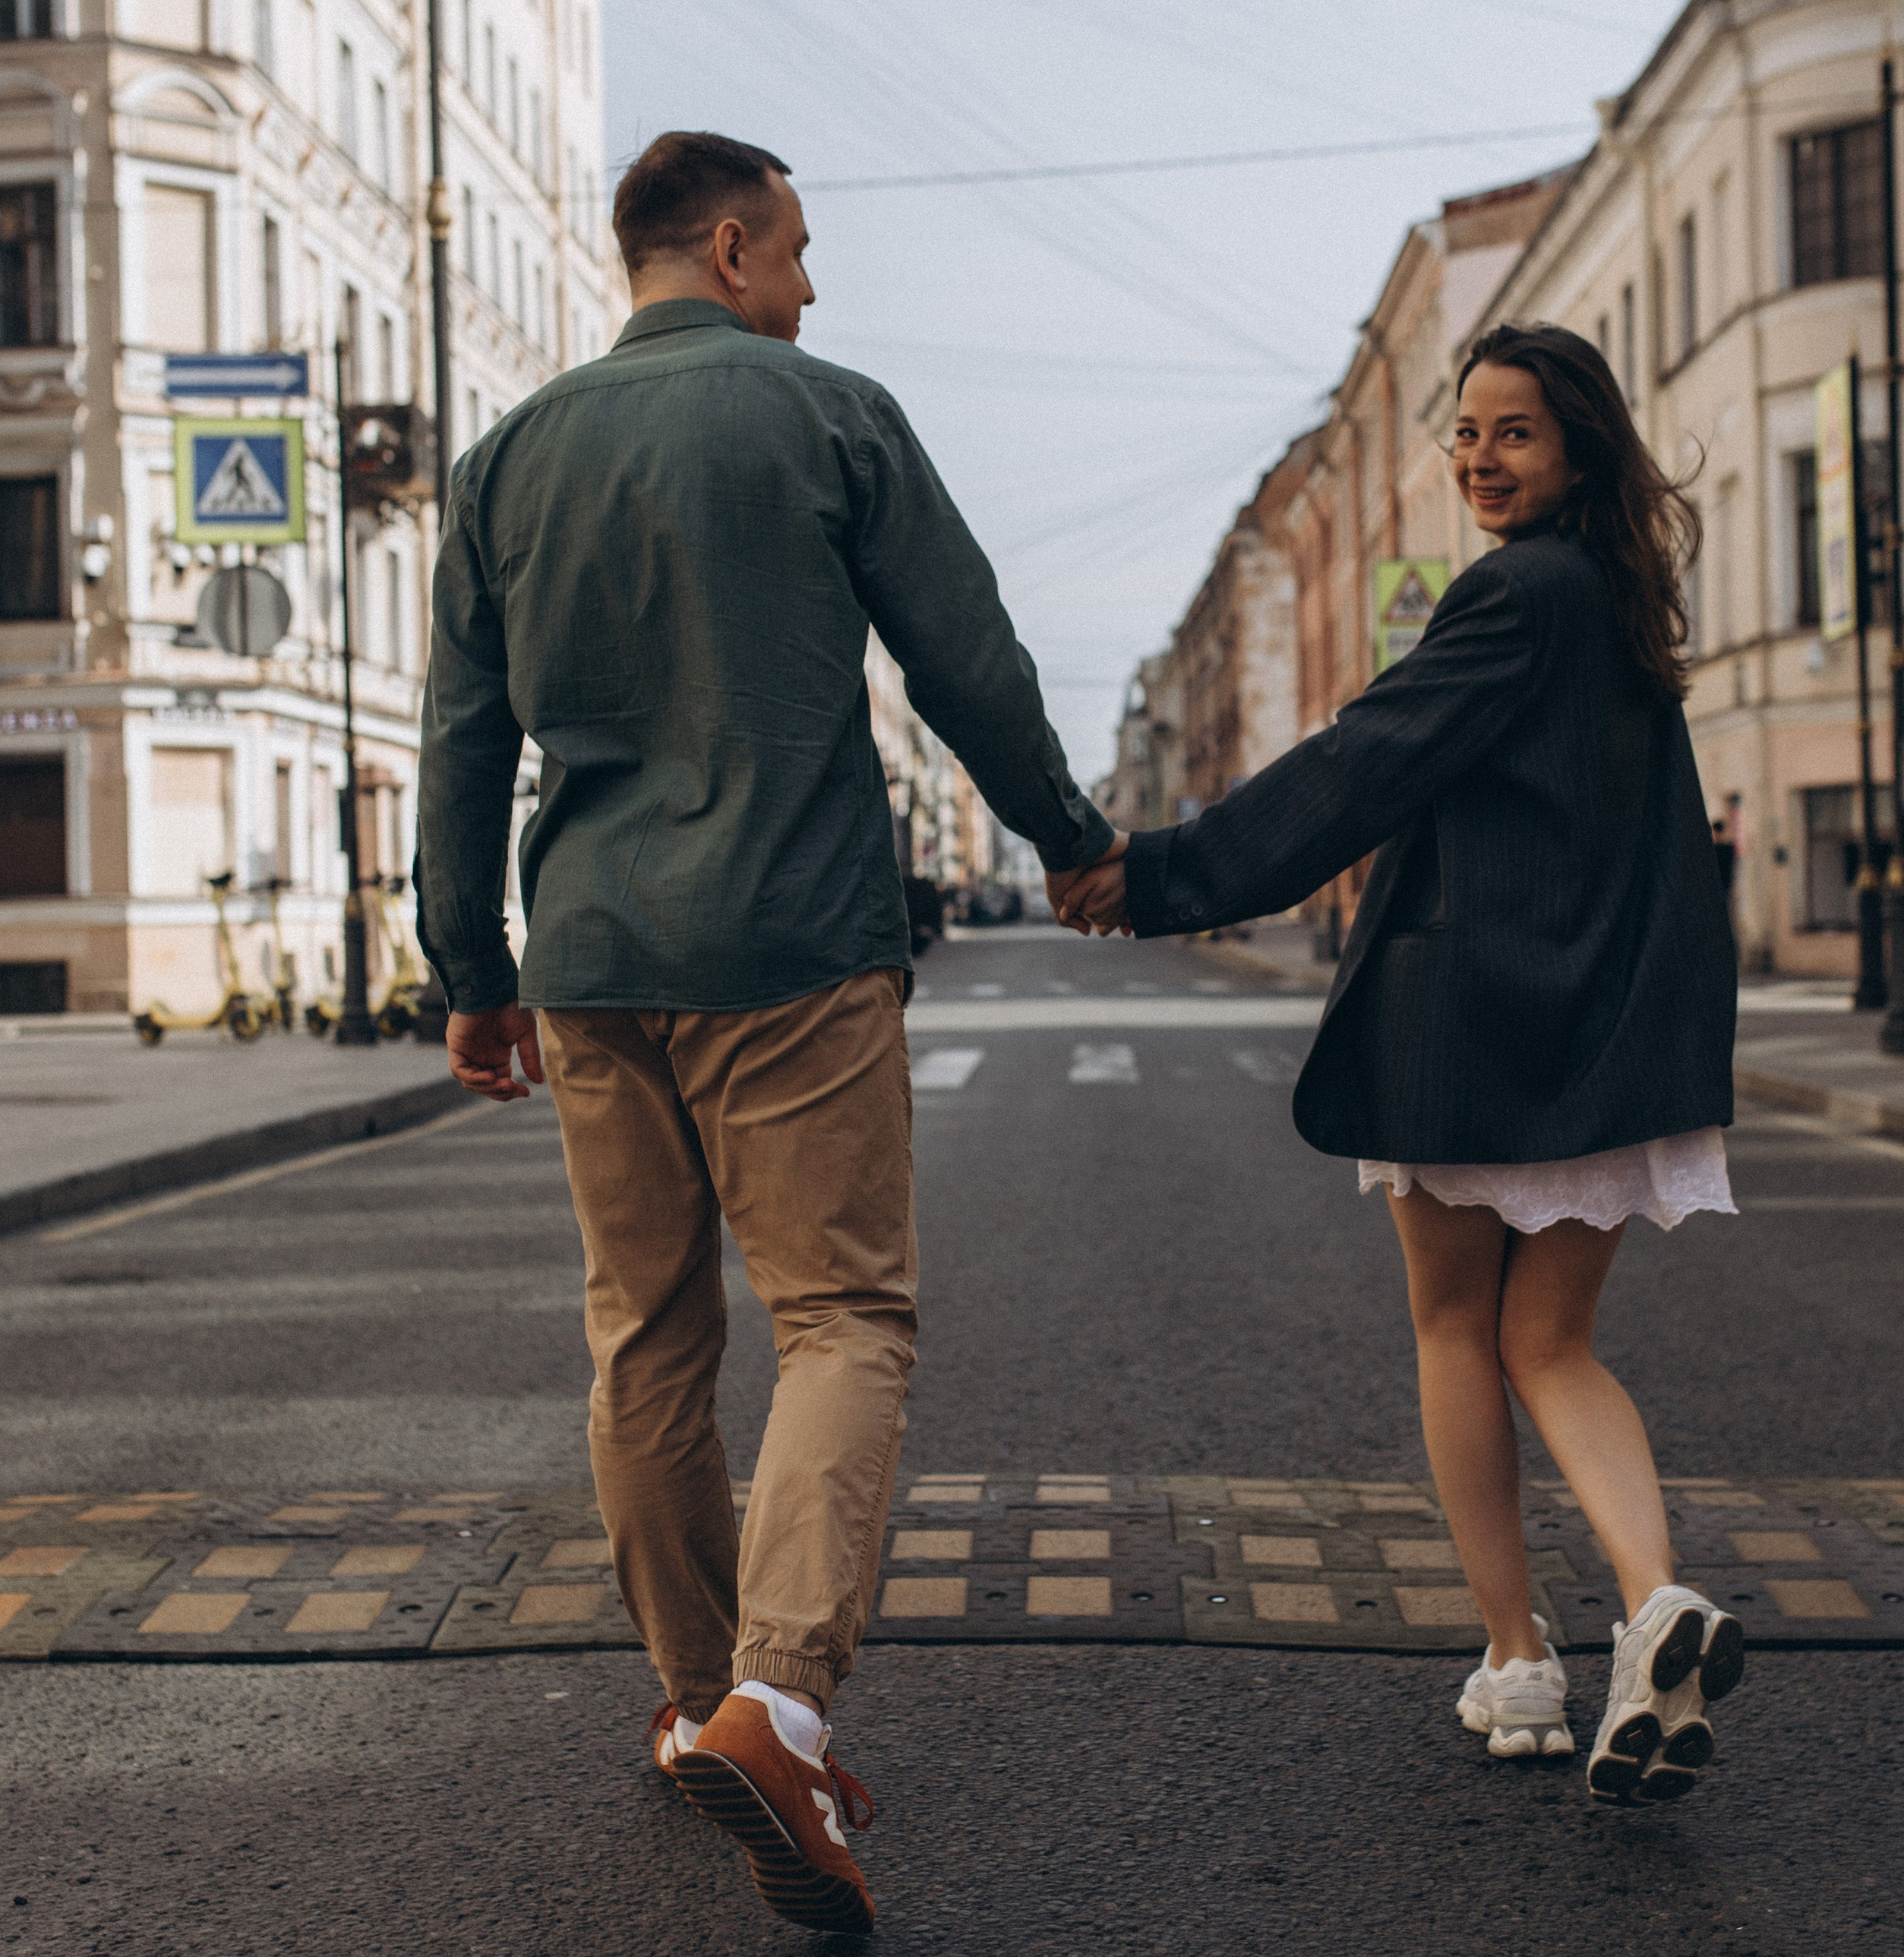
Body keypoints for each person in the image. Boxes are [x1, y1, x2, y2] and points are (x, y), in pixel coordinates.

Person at [415, 130, 1116, 1934]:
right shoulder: (824, 412)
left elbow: (463, 741)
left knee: (644, 1331)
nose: (808, 284)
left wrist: (464, 965)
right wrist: (1070, 833)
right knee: (840, 1313)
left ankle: (685, 1700)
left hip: (583, 951)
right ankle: (779, 1697)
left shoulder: (501, 459)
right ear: (727, 246)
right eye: (796, 249)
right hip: (788, 939)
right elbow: (962, 652)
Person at [1058, 321, 1742, 1805]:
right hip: (1602, 1019)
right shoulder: (1624, 601)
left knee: (1451, 1327)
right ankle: (1653, 1600)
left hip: (1471, 1018)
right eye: (1462, 431)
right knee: (1548, 1341)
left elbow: (1361, 763)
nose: (1478, 457)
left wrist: (1164, 872)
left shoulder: (1509, 595)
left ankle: (1514, 1655)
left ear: (1574, 446)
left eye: (1511, 431)